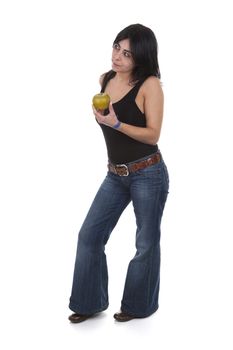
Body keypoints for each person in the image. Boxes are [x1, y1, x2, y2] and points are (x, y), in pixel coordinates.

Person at [68, 23, 169, 323]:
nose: (118, 57)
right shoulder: (105, 79)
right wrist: (104, 118)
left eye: (127, 53)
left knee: (146, 242)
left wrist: (115, 125)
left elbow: (153, 135)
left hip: (148, 173)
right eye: (116, 47)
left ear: (140, 57)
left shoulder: (150, 85)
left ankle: (139, 307)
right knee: (89, 235)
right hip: (115, 175)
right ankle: (88, 302)